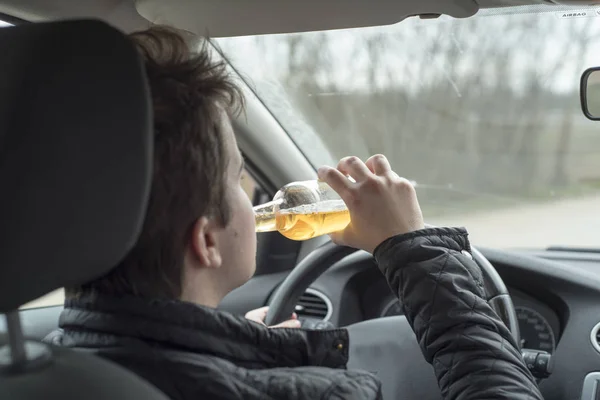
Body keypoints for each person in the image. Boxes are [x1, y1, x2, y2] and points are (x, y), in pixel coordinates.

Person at [46, 26, 543, 400]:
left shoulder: (43, 368)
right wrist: (410, 247)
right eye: (239, 180)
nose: (255, 198)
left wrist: (239, 351)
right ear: (206, 242)